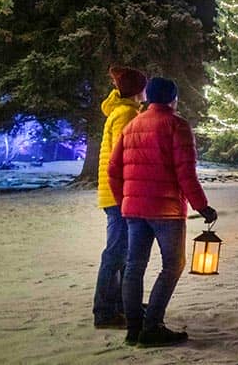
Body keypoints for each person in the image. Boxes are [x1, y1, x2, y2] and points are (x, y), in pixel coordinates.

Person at [108, 77, 217, 347]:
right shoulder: (176, 126)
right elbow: (186, 174)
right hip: (165, 210)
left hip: (134, 211)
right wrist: (202, 206)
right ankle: (152, 325)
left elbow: (113, 169)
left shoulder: (132, 125)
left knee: (134, 267)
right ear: (172, 99)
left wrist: (125, 200)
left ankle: (134, 329)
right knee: (173, 265)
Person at [93, 66, 147, 329]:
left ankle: (124, 303)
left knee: (123, 252)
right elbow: (123, 157)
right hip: (119, 195)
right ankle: (104, 311)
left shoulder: (123, 111)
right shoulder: (126, 114)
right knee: (116, 253)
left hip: (115, 193)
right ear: (137, 90)